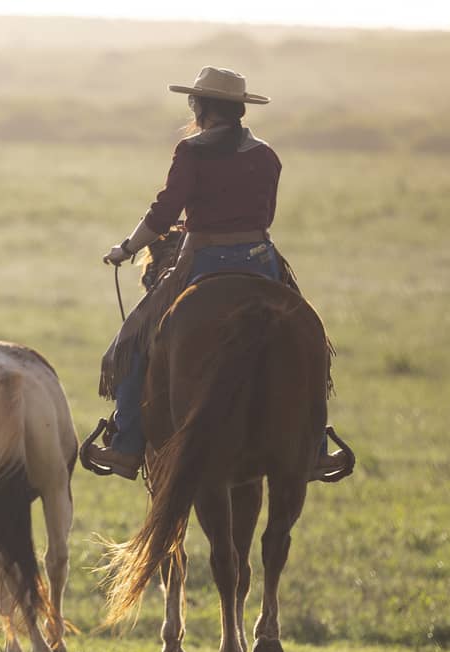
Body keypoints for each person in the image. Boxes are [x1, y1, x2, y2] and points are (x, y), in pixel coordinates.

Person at [86, 66, 347, 481]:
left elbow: (165, 212)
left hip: (203, 259)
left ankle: (126, 445)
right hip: (262, 258)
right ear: (240, 110)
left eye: (194, 102)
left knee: (133, 341)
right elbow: (268, 214)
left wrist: (127, 249)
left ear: (201, 106)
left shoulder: (191, 151)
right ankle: (315, 449)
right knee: (310, 339)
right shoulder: (265, 155)